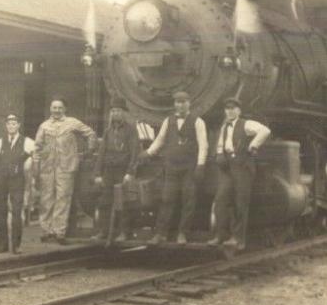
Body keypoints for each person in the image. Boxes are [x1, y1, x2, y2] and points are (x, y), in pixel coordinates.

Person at [140, 91, 208, 245]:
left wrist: (201, 165)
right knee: (167, 199)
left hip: (189, 168)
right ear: (174, 104)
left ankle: (182, 233)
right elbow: (160, 140)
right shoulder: (168, 120)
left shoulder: (198, 122)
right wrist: (148, 153)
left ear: (189, 103)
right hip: (171, 167)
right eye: (178, 102)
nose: (180, 105)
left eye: (183, 102)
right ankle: (160, 233)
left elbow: (203, 145)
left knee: (188, 200)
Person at [207, 97, 271, 251]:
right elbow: (221, 144)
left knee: (240, 202)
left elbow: (265, 130)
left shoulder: (246, 124)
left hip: (243, 167)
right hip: (228, 167)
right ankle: (221, 235)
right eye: (227, 108)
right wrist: (219, 154)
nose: (230, 111)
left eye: (233, 108)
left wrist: (253, 145)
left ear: (239, 110)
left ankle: (238, 238)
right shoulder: (224, 127)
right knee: (221, 200)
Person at [33, 97, 97, 244]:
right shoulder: (44, 126)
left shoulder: (72, 123)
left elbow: (91, 134)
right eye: (54, 107)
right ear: (50, 109)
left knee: (63, 199)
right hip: (47, 168)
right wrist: (36, 167)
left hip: (66, 167)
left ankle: (59, 232)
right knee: (46, 199)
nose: (57, 110)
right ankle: (46, 231)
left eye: (59, 108)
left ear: (65, 109)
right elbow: (37, 148)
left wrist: (88, 151)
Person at [91, 97, 140, 242]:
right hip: (108, 171)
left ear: (124, 113)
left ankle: (125, 232)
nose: (115, 113)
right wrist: (97, 173)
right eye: (113, 111)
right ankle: (103, 231)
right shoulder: (108, 131)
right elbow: (101, 153)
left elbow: (134, 152)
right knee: (104, 201)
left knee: (124, 202)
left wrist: (130, 173)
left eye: (118, 110)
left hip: (123, 171)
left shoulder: (131, 130)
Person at [0, 114, 35, 254]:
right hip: (1, 180)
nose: (11, 126)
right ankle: (2, 245)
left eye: (14, 123)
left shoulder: (27, 141)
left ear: (19, 125)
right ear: (6, 126)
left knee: (17, 211)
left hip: (17, 180)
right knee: (0, 211)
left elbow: (33, 159)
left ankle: (16, 245)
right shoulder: (0, 141)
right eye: (9, 124)